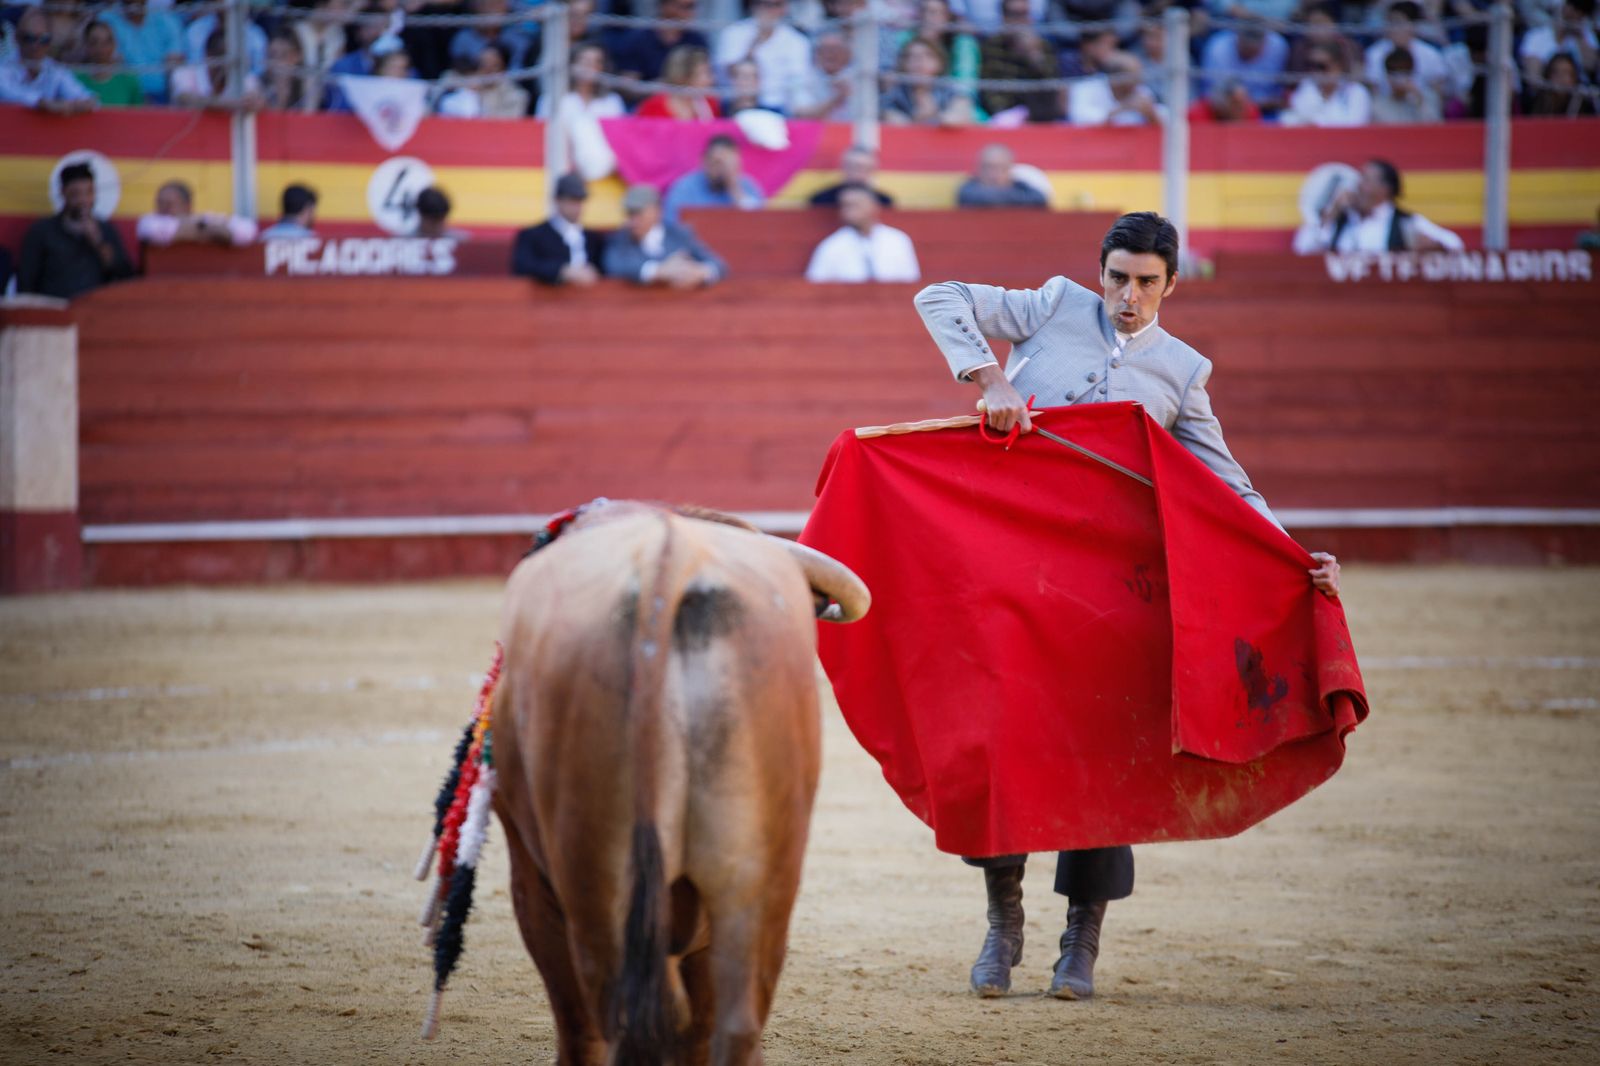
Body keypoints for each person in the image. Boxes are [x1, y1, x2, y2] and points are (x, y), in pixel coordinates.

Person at [912, 211, 1341, 1001]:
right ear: (1100, 272)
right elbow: (939, 296)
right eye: (1117, 278)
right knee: (1004, 738)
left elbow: (1229, 485)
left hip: (1108, 598)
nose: (1127, 296)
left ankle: (1081, 938)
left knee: (1102, 753)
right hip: (1015, 575)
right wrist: (991, 379)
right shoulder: (1052, 305)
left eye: (1146, 282)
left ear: (1170, 285)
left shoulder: (1180, 370)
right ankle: (1003, 920)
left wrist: (1291, 554)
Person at [1292, 158, 1464, 254]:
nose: (1357, 185)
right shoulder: (1340, 219)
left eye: (1365, 180)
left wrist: (1435, 246)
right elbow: (1302, 248)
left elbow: (1455, 244)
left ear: (1385, 189)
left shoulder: (1404, 222)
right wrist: (1332, 213)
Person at [17, 162, 134, 300]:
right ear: (63, 192)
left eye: (89, 193)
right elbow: (26, 282)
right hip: (54, 307)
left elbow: (126, 277)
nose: (83, 200)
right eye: (76, 194)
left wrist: (98, 242)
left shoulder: (106, 230)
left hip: (95, 308)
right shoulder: (42, 231)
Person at [604, 184, 727, 289]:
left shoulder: (679, 234)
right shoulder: (621, 238)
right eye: (629, 213)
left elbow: (718, 264)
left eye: (638, 213)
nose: (633, 220)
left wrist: (701, 272)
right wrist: (658, 270)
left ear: (657, 211)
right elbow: (613, 265)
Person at [536, 42, 625, 180]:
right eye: (584, 61)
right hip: (559, 166)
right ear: (571, 65)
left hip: (606, 169)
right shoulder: (552, 100)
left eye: (597, 62)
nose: (590, 67)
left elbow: (618, 140)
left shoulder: (612, 101)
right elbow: (543, 137)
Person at [805, 184, 921, 283]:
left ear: (874, 206)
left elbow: (911, 281)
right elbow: (815, 285)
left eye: (855, 205)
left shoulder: (898, 240)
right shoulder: (831, 246)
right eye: (845, 206)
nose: (849, 211)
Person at [714, 0, 813, 114]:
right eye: (764, 4)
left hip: (779, 108)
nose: (769, 10)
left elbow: (799, 83)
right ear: (753, 5)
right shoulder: (733, 33)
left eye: (776, 5)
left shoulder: (797, 41)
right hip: (736, 106)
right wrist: (754, 45)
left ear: (785, 8)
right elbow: (723, 76)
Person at [512, 173, 606, 286]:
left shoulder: (592, 238)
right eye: (572, 200)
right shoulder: (533, 235)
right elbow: (522, 266)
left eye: (580, 200)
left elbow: (605, 269)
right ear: (557, 200)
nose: (578, 207)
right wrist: (562, 271)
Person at [978, 0, 1063, 122]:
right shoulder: (991, 46)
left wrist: (1034, 57)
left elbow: (1053, 90)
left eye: (1025, 14)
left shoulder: (1044, 47)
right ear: (1004, 18)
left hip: (1040, 116)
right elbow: (990, 93)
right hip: (1003, 116)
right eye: (1015, 14)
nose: (1021, 20)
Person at [609, 0, 709, 103]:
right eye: (686, 7)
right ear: (665, 6)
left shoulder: (697, 41)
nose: (692, 12)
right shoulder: (637, 39)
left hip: (688, 103)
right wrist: (658, 86)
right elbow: (627, 87)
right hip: (644, 104)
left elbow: (706, 81)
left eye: (693, 6)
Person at [0, 8, 98, 112]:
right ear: (17, 38)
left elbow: (84, 97)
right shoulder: (4, 67)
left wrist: (83, 103)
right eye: (29, 38)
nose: (36, 45)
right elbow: (9, 93)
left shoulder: (55, 69)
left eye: (44, 39)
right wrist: (42, 103)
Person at [662, 134, 766, 224]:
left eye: (726, 163)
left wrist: (734, 187)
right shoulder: (685, 188)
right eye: (716, 162)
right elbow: (672, 225)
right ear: (704, 161)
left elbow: (758, 224)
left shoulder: (746, 187)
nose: (721, 169)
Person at [1363, 1, 1453, 100]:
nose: (1393, 28)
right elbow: (1374, 93)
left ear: (1413, 25)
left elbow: (1438, 93)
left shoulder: (1430, 54)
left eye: (1398, 23)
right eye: (1390, 23)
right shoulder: (1374, 53)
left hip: (1420, 103)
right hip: (1386, 105)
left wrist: (1416, 94)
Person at [99, 0, 186, 103]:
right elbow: (113, 60)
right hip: (124, 92)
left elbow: (174, 60)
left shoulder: (166, 20)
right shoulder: (107, 20)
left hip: (163, 94)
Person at [883, 36, 977, 126]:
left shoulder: (951, 88)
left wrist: (934, 115)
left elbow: (959, 116)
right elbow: (892, 119)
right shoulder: (896, 92)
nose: (919, 61)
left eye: (927, 55)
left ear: (939, 62)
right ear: (904, 63)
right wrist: (918, 119)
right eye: (912, 56)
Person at [1199, 21, 1290, 113]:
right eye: (1246, 50)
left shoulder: (1278, 46)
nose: (1250, 54)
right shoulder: (1218, 48)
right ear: (1237, 39)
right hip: (1224, 110)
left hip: (1269, 110)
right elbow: (1212, 95)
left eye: (1254, 51)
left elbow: (1282, 92)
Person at [136, 180, 258, 248]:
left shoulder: (203, 219)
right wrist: (205, 230)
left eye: (169, 204)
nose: (163, 208)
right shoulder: (149, 221)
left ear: (187, 206)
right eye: (160, 203)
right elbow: (152, 231)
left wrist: (199, 227)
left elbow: (248, 231)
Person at [1282, 43, 1372, 127]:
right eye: (1311, 65)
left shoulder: (1356, 91)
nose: (1316, 71)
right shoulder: (1307, 87)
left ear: (1339, 65)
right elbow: (1289, 119)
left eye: (1321, 66)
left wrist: (1315, 122)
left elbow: (1355, 125)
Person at [170, 28, 264, 108]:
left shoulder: (245, 78)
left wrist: (256, 102)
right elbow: (185, 99)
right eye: (224, 56)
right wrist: (227, 104)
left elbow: (257, 100)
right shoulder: (184, 74)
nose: (230, 64)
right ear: (209, 55)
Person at [1067, 50, 1164, 126]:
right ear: (1116, 78)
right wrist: (1121, 108)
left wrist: (1151, 114)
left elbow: (1166, 120)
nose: (1139, 82)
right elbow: (1079, 118)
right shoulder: (1086, 87)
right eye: (1133, 78)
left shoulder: (1140, 90)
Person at [634, 43, 722, 119]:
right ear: (685, 78)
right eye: (705, 73)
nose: (711, 79)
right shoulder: (652, 106)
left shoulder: (711, 103)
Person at [1518, 0, 1597, 84]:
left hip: (1577, 90)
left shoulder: (1587, 37)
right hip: (1546, 89)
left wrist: (1579, 36)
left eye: (1579, 12)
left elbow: (1591, 67)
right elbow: (1533, 77)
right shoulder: (1536, 36)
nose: (1573, 13)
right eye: (1570, 7)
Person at [75, 20, 144, 107]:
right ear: (86, 45)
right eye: (94, 42)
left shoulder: (129, 79)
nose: (100, 48)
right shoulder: (75, 79)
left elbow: (138, 111)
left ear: (114, 44)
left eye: (107, 42)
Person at [956, 144, 1047, 209]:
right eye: (988, 167)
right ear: (979, 169)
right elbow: (972, 197)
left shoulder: (1020, 185)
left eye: (1002, 168)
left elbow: (1039, 199)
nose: (994, 174)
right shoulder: (969, 188)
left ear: (1010, 169)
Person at [793, 29, 853, 121]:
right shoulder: (804, 77)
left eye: (836, 50)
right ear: (817, 54)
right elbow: (801, 113)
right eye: (825, 50)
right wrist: (837, 98)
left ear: (848, 54)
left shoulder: (861, 78)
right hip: (817, 129)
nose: (830, 54)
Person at [1371, 47, 1443, 123]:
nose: (1399, 79)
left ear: (1412, 74)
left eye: (1404, 72)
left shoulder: (1428, 99)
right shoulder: (1377, 105)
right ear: (1387, 77)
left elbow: (1436, 126)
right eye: (1395, 73)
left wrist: (1419, 100)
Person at [810, 145, 896, 208]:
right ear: (843, 167)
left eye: (861, 167)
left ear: (872, 170)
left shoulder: (884, 202)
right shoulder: (821, 199)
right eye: (851, 166)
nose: (856, 172)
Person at [1526, 53, 1598, 115]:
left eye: (1565, 72)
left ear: (1574, 77)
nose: (1561, 77)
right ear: (1548, 75)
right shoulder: (1536, 103)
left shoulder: (1585, 104)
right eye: (1556, 72)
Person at [262, 31, 311, 112]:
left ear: (297, 56)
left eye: (283, 55)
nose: (276, 63)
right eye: (271, 56)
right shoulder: (256, 86)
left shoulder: (309, 89)